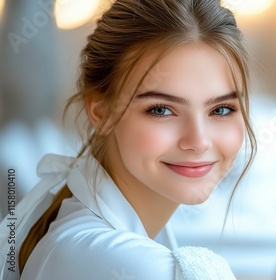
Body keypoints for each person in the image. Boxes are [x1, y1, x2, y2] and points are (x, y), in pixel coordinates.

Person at [0, 0, 256, 279]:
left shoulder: (83, 235)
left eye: (221, 109)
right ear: (101, 112)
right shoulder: (122, 261)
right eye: (161, 110)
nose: (198, 140)